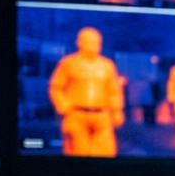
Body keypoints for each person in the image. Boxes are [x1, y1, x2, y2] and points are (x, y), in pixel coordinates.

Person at [48, 26, 123, 157]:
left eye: (96, 43)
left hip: (102, 115)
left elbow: (113, 90)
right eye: (88, 42)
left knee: (105, 153)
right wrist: (62, 105)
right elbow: (56, 86)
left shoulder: (107, 65)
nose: (93, 46)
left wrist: (116, 111)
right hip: (76, 114)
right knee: (78, 154)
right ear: (79, 42)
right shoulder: (68, 63)